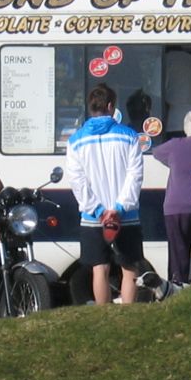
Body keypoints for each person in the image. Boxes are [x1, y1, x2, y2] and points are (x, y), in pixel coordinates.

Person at [66, 83, 144, 305]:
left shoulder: (75, 141)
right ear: (111, 106)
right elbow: (134, 175)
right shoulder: (129, 136)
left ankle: (104, 317)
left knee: (99, 269)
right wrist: (118, 208)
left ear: (90, 108)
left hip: (93, 218)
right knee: (129, 268)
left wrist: (99, 211)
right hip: (126, 215)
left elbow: (77, 181)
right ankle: (128, 317)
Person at [152, 109, 191, 284]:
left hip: (175, 208)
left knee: (178, 257)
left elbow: (155, 152)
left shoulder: (174, 145)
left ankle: (177, 290)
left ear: (186, 128)